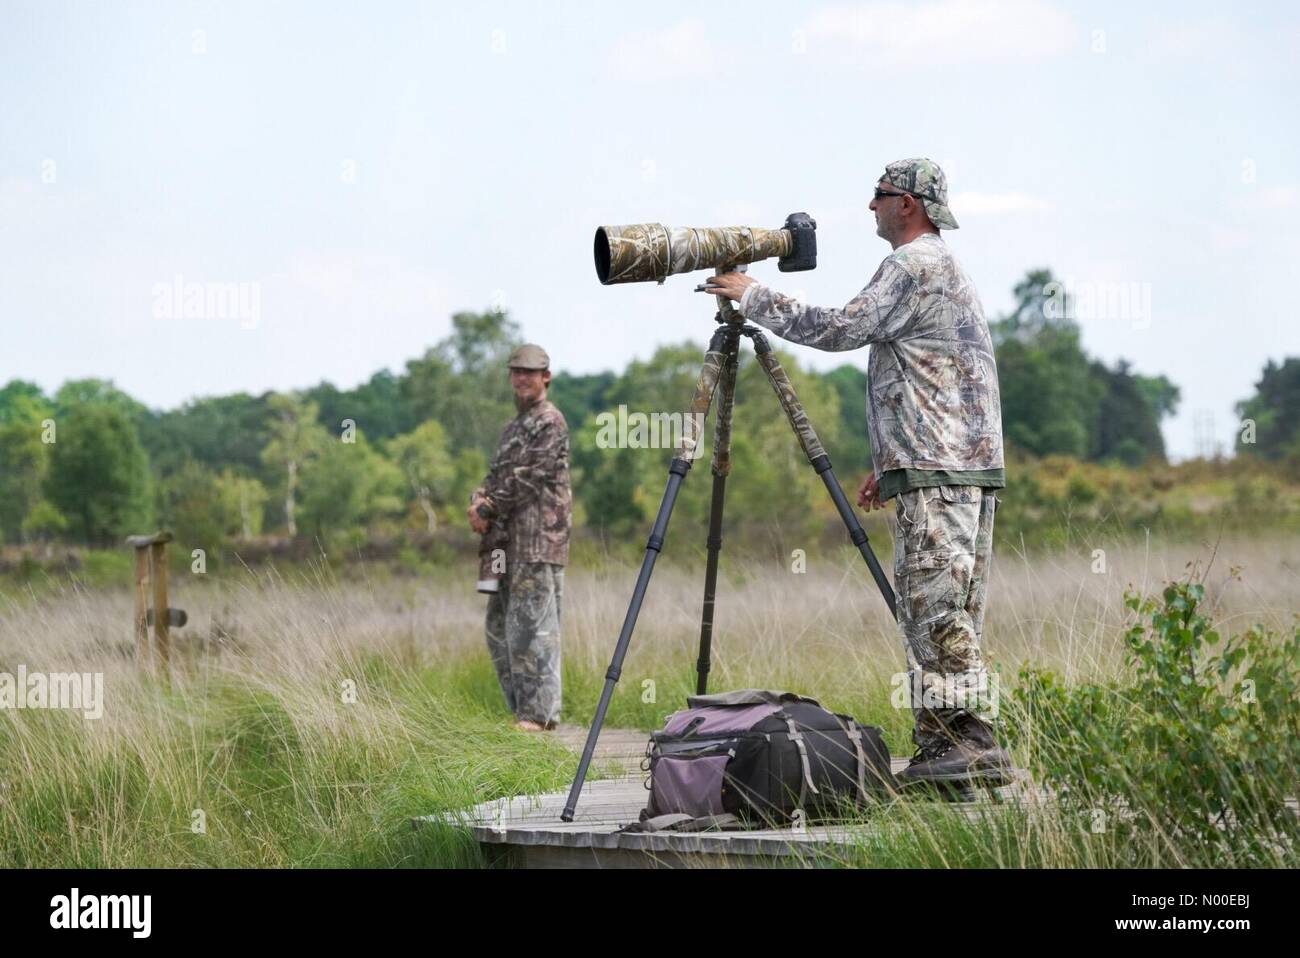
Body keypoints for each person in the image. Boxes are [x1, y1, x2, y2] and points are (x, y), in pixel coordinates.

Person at [701, 158, 1012, 786]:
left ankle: (969, 741)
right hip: (959, 466)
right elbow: (945, 377)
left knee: (936, 610)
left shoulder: (913, 264)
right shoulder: (944, 268)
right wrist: (888, 463)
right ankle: (947, 752)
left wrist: (753, 296)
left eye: (879, 195)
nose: (870, 205)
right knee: (947, 607)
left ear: (909, 204)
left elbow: (844, 328)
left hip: (936, 471)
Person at [467, 344, 571, 732]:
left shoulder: (550, 422)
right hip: (502, 548)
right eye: (516, 371)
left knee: (533, 630)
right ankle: (523, 712)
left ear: (546, 376)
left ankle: (539, 716)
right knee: (500, 630)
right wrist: (478, 500)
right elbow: (496, 477)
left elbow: (529, 478)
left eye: (530, 372)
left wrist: (487, 506)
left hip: (537, 543)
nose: (522, 378)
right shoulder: (513, 427)